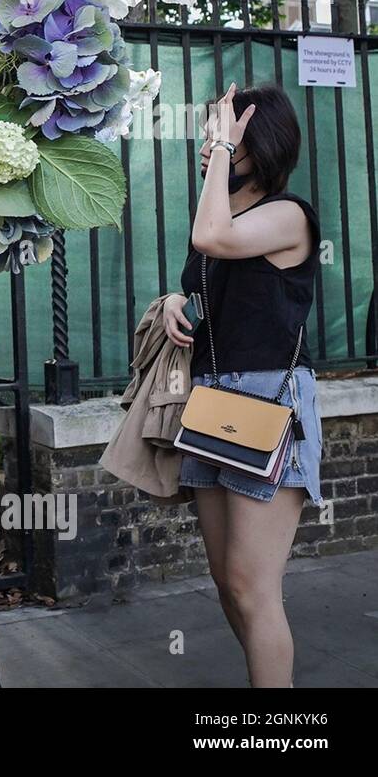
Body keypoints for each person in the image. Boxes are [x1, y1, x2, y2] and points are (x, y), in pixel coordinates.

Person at [162, 82, 321, 688]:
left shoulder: (289, 214)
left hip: (266, 405)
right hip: (210, 404)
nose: (212, 146)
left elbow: (213, 241)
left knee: (255, 588)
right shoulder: (225, 211)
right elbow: (207, 269)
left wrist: (223, 151)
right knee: (228, 583)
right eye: (209, 134)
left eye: (227, 137)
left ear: (264, 144)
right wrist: (176, 300)